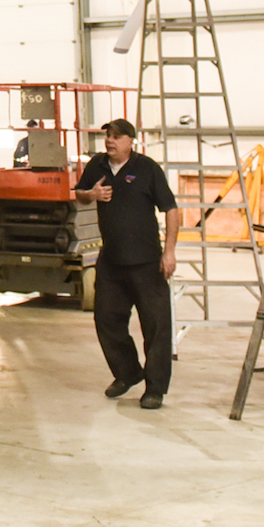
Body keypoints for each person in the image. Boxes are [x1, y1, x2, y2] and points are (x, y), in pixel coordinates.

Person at [73, 118, 181, 410]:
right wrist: (92, 194)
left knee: (156, 327)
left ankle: (155, 388)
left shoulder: (147, 169)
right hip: (112, 261)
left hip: (147, 262)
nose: (110, 141)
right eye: (108, 136)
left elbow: (171, 209)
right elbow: (79, 195)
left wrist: (169, 252)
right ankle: (128, 373)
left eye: (117, 137)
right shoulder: (97, 165)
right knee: (106, 319)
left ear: (131, 141)